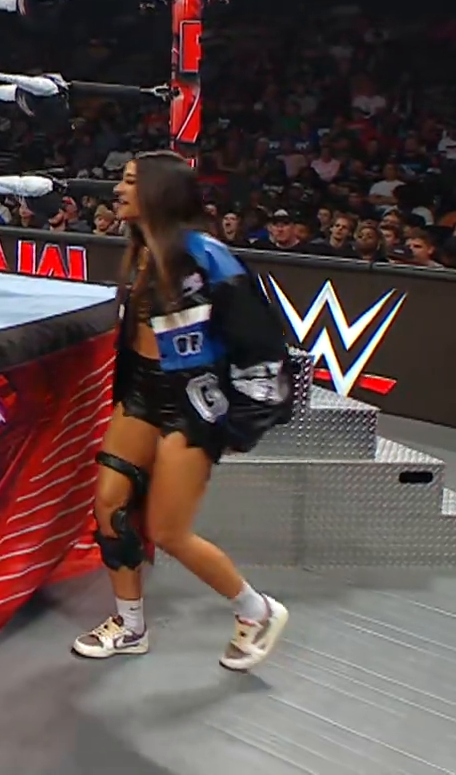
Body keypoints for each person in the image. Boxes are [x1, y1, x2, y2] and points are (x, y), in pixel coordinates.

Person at [74, 151, 294, 671]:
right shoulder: (142, 252)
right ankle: (130, 626)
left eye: (130, 182)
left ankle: (257, 610)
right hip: (142, 392)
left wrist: (239, 425)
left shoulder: (210, 258)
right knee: (110, 506)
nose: (118, 190)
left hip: (194, 401)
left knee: (169, 531)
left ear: (158, 192)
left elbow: (264, 348)